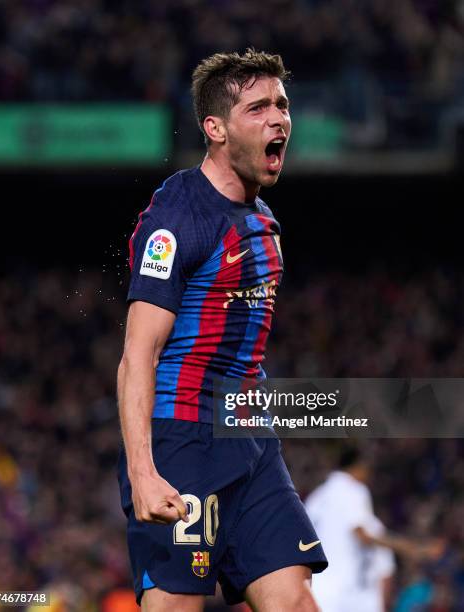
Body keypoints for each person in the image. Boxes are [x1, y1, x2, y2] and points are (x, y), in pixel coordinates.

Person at [116, 48, 327, 612]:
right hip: (181, 439)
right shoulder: (177, 216)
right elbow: (139, 353)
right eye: (258, 108)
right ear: (215, 128)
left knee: (296, 601)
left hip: (250, 439)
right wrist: (143, 471)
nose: (279, 118)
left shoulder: (263, 221)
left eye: (282, 105)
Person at [305, 446, 443, 612]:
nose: (369, 475)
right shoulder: (353, 490)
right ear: (359, 466)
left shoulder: (315, 498)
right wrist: (412, 549)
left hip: (315, 589)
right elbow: (363, 534)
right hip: (343, 593)